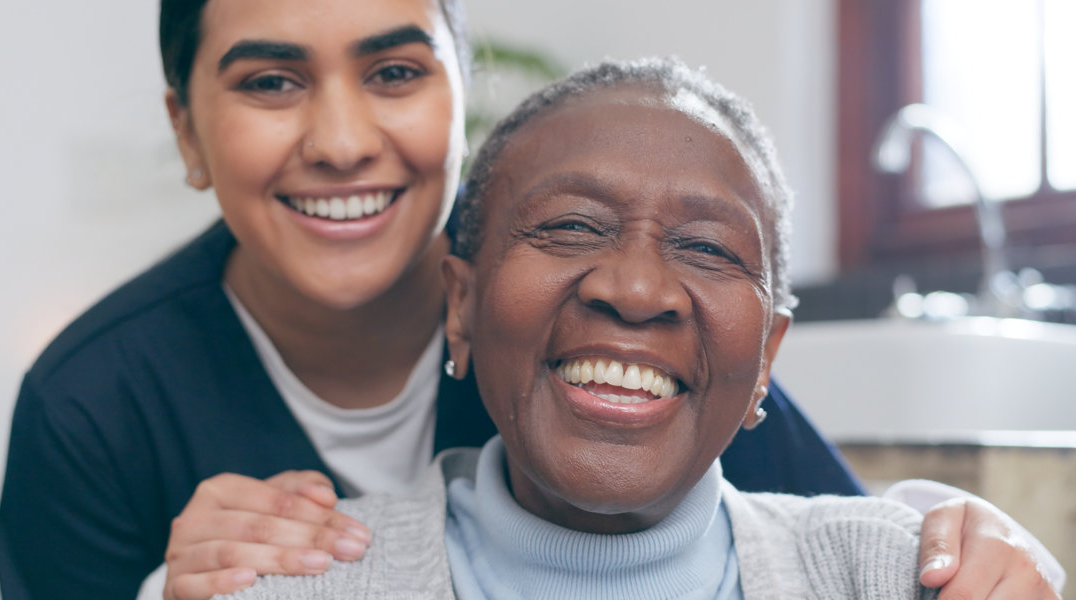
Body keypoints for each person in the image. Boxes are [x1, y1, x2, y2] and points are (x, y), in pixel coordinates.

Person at [0, 0, 1061, 598]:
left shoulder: (605, 315)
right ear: (188, 133)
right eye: (270, 82)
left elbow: (824, 530)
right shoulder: (95, 402)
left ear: (464, 98)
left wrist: (953, 534)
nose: (341, 139)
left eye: (396, 74)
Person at [228, 57, 937, 600]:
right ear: (461, 308)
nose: (635, 290)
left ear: (766, 357)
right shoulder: (277, 583)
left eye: (709, 248)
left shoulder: (908, 578)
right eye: (570, 227)